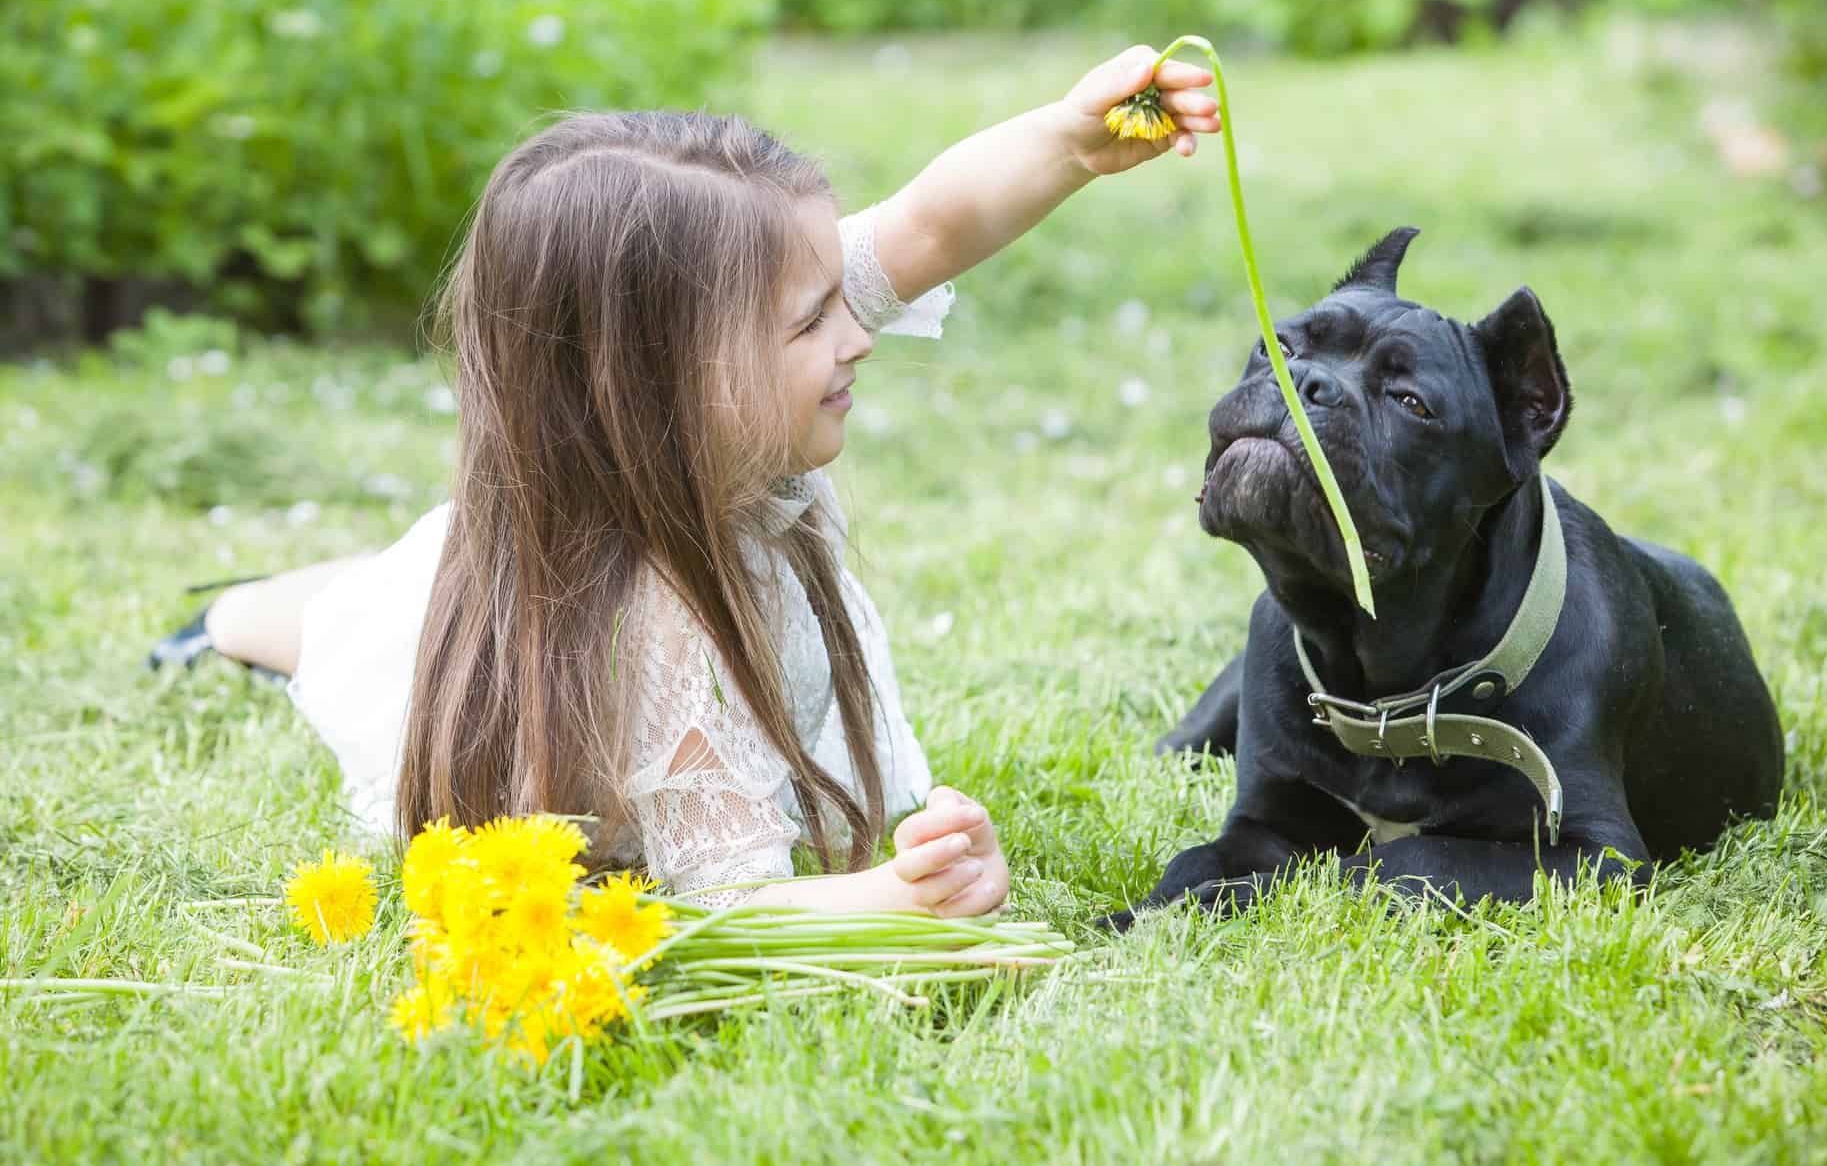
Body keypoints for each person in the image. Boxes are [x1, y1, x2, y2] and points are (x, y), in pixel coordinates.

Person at [148, 47, 1219, 914]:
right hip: (446, 620)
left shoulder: (730, 332)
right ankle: (229, 617)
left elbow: (929, 226)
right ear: (663, 384)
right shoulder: (658, 627)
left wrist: (1070, 140)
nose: (860, 334)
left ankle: (318, 589)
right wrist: (893, 901)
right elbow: (719, 916)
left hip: (482, 570)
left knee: (388, 586)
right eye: (815, 319)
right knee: (341, 630)